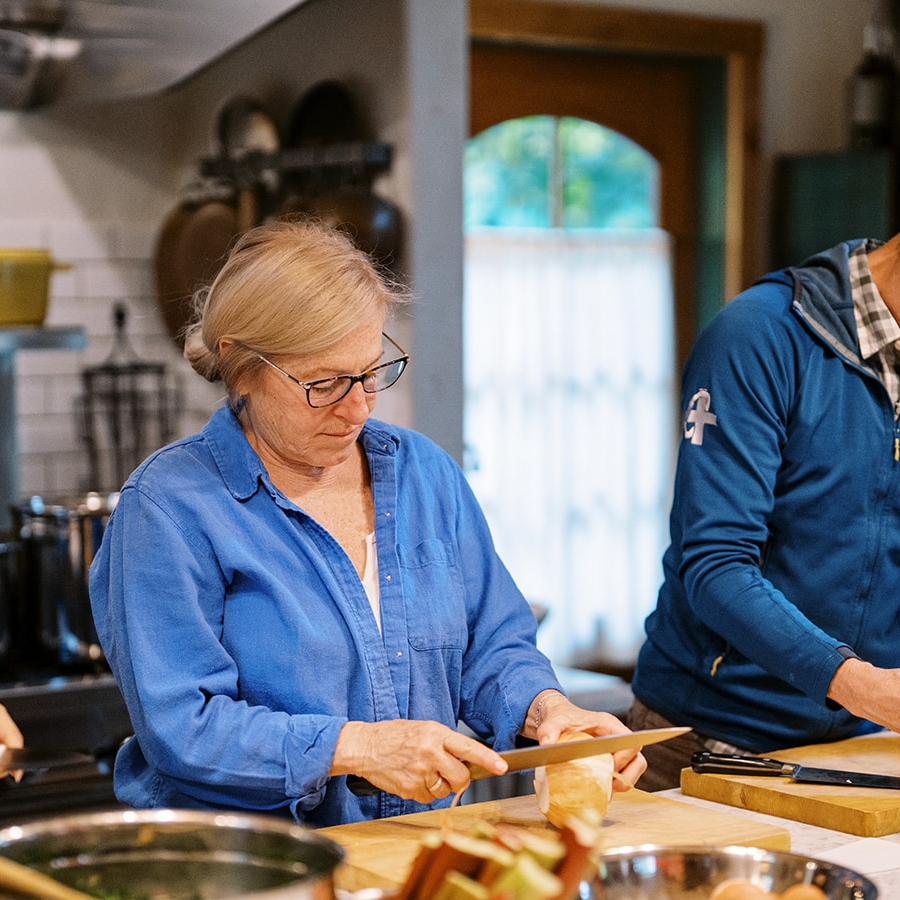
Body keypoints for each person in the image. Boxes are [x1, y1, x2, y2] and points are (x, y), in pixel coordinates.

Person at [89, 217, 646, 826]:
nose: (357, 406)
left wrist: (548, 715)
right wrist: (357, 747)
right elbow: (184, 726)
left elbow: (493, 646)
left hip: (413, 846)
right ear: (240, 366)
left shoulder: (424, 477)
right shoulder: (169, 508)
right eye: (324, 383)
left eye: (372, 371)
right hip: (250, 868)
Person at [626, 233, 900, 791]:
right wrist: (863, 686)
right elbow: (717, 565)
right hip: (708, 739)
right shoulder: (760, 335)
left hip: (860, 747)